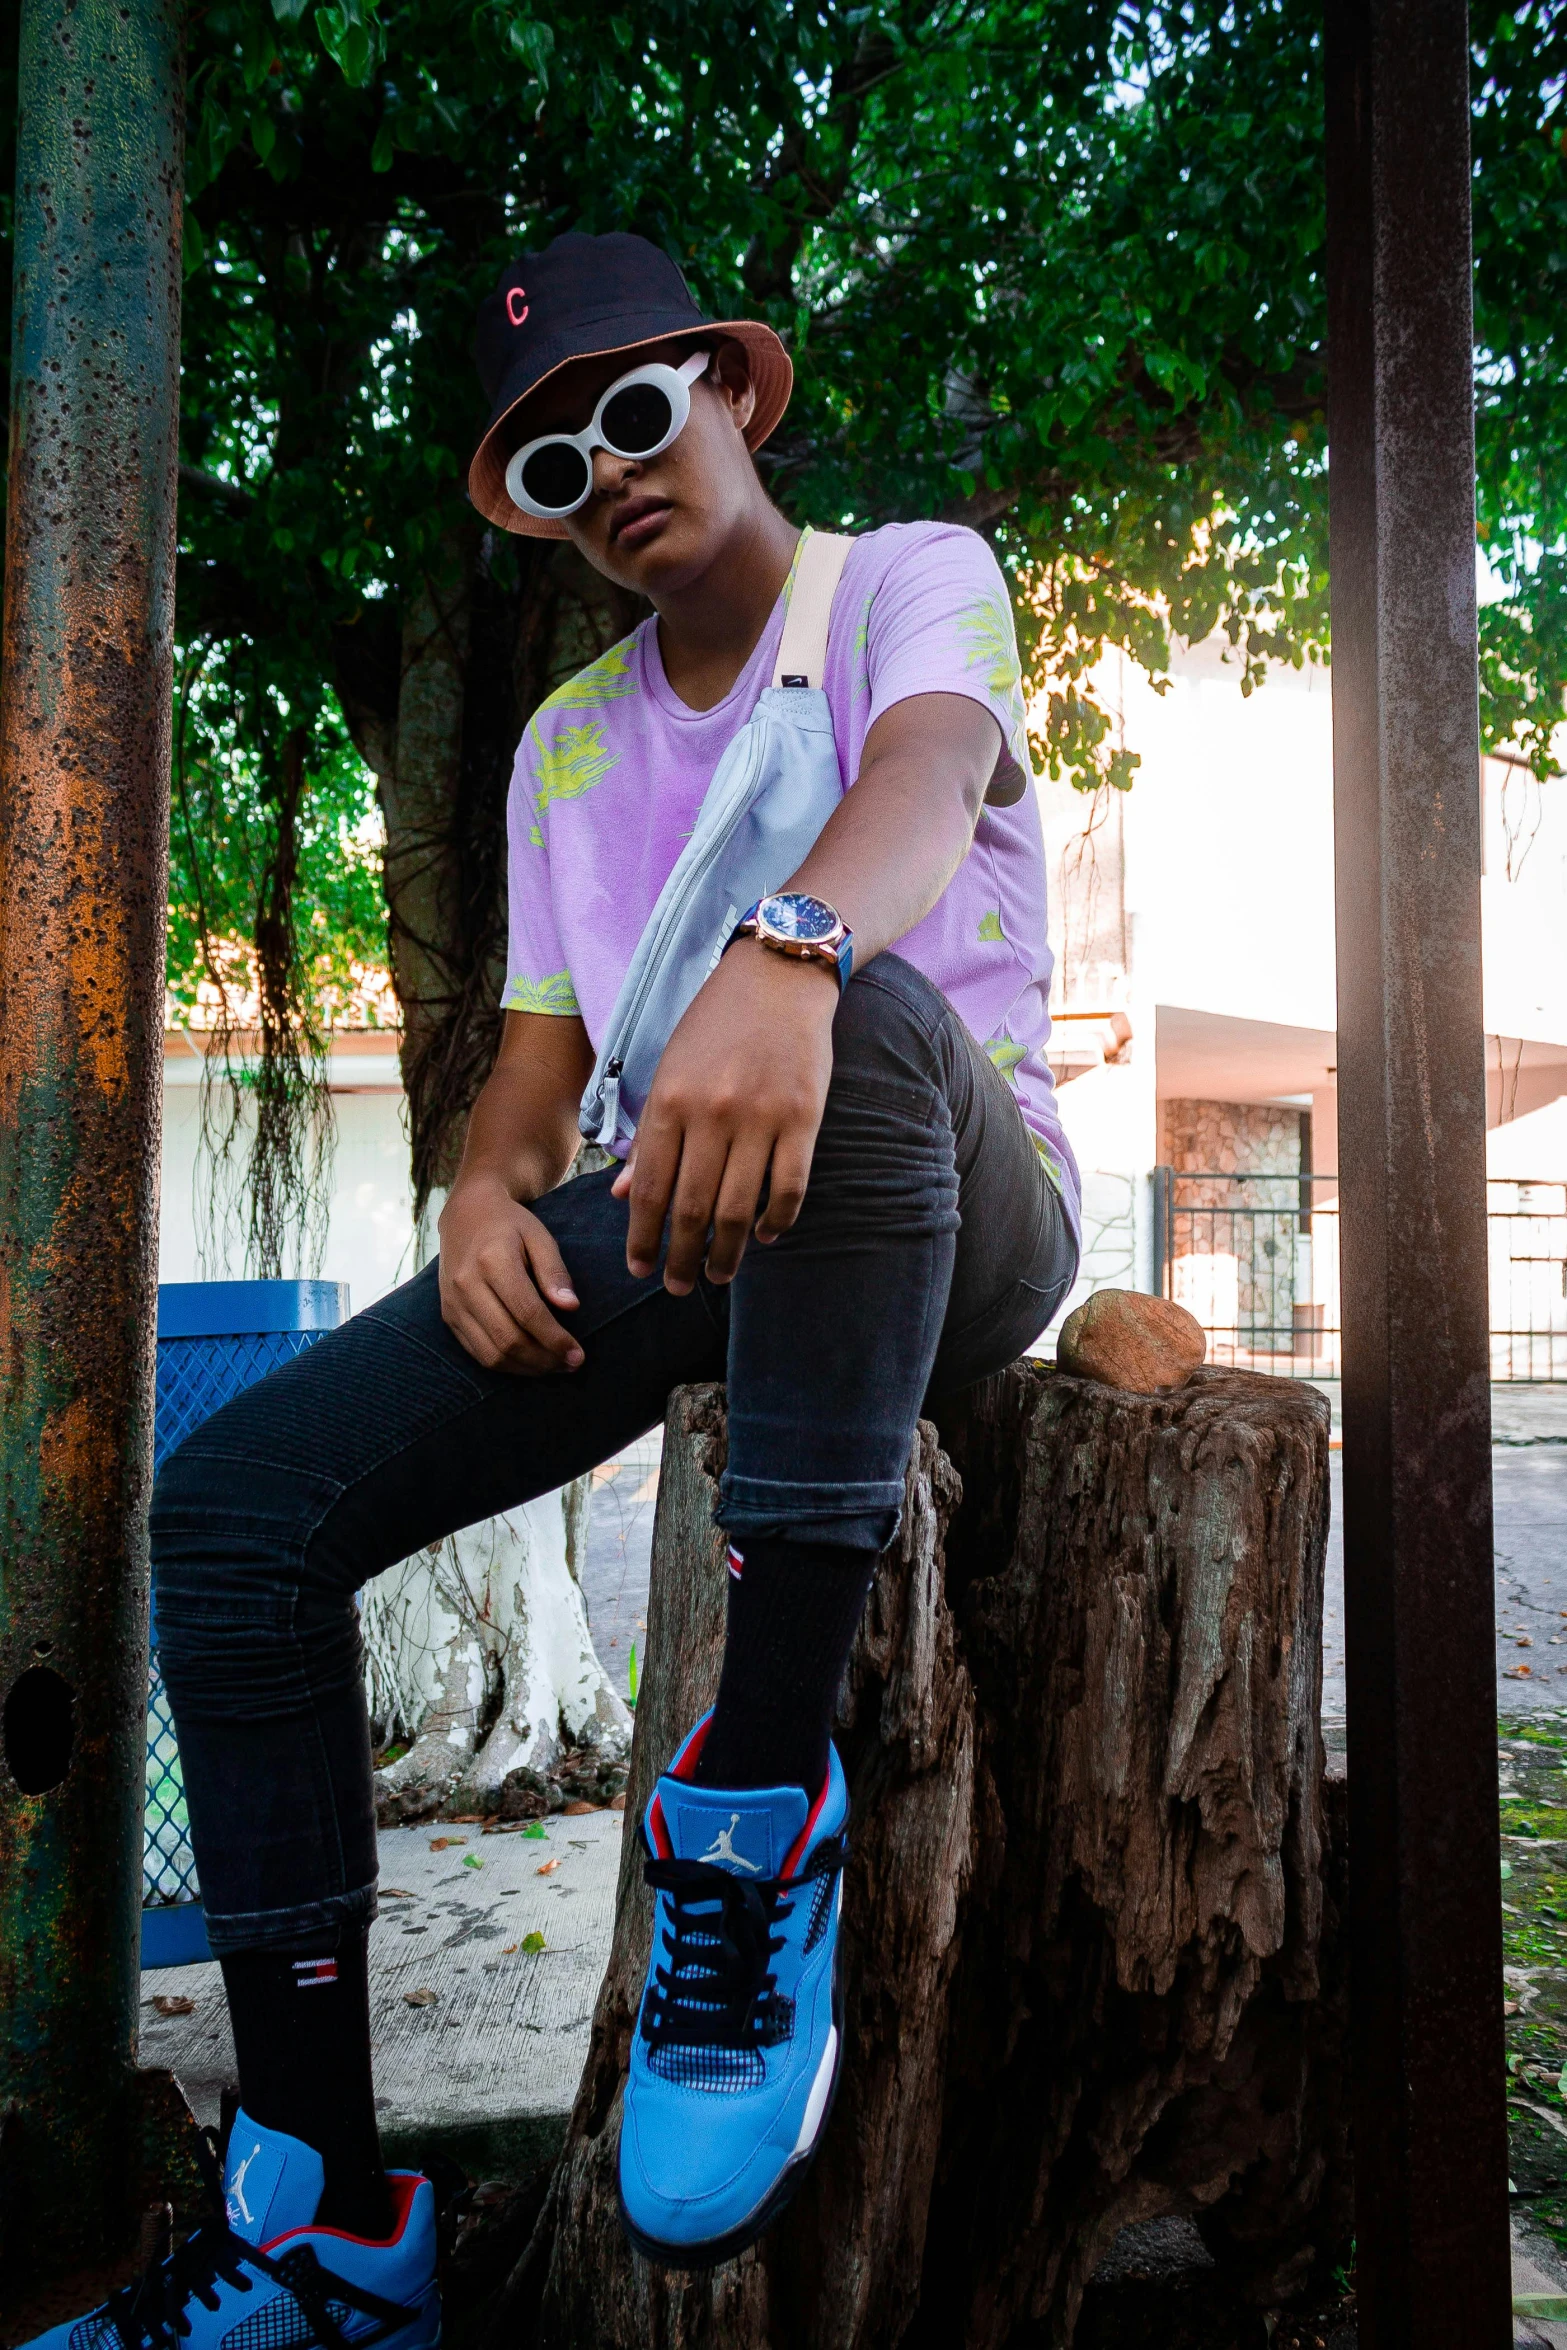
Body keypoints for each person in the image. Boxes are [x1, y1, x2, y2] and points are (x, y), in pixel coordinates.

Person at [29, 229, 1079, 2347]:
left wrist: (788, 959)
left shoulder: (900, 579)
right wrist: (487, 1200)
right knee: (235, 1516)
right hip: (688, 1216)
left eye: (632, 407)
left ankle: (755, 1811)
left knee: (860, 1020)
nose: (604, 472)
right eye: (544, 463)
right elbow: (525, 1079)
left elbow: (925, 782)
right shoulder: (563, 750)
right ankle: (327, 2215)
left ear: (733, 391)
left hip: (956, 1199)